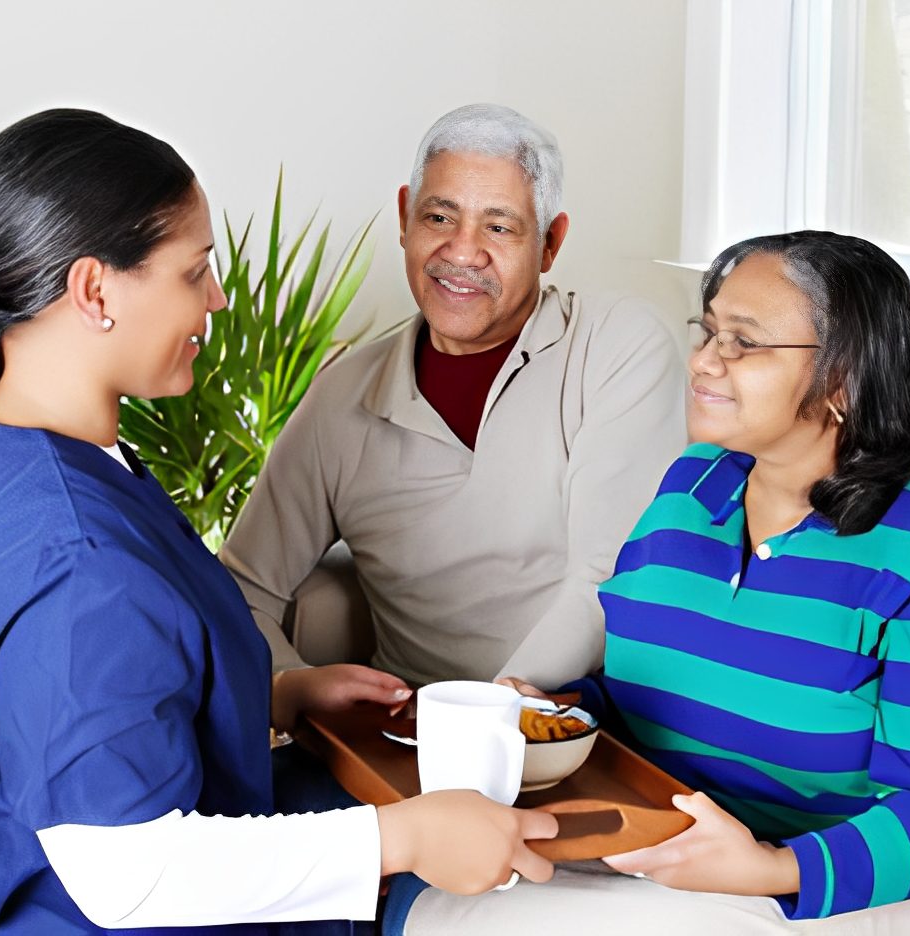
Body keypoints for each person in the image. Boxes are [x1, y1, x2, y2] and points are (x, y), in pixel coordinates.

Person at [0, 108, 556, 935]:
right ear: (94, 290)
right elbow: (126, 872)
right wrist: (402, 836)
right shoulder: (71, 551)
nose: (218, 300)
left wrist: (266, 696)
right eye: (195, 272)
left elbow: (41, 701)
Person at [412, 232, 910, 934]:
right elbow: (659, 678)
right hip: (690, 837)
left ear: (842, 379)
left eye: (743, 342)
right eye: (708, 331)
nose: (704, 362)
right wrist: (558, 718)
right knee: (433, 877)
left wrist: (770, 872)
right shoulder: (698, 482)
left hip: (896, 888)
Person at [221, 103, 687, 692]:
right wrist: (290, 687)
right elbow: (241, 588)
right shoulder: (343, 397)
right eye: (440, 217)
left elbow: (608, 578)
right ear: (404, 218)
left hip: (581, 721)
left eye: (498, 227)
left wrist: (491, 714)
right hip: (405, 735)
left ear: (550, 243)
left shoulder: (616, 344)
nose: (462, 253)